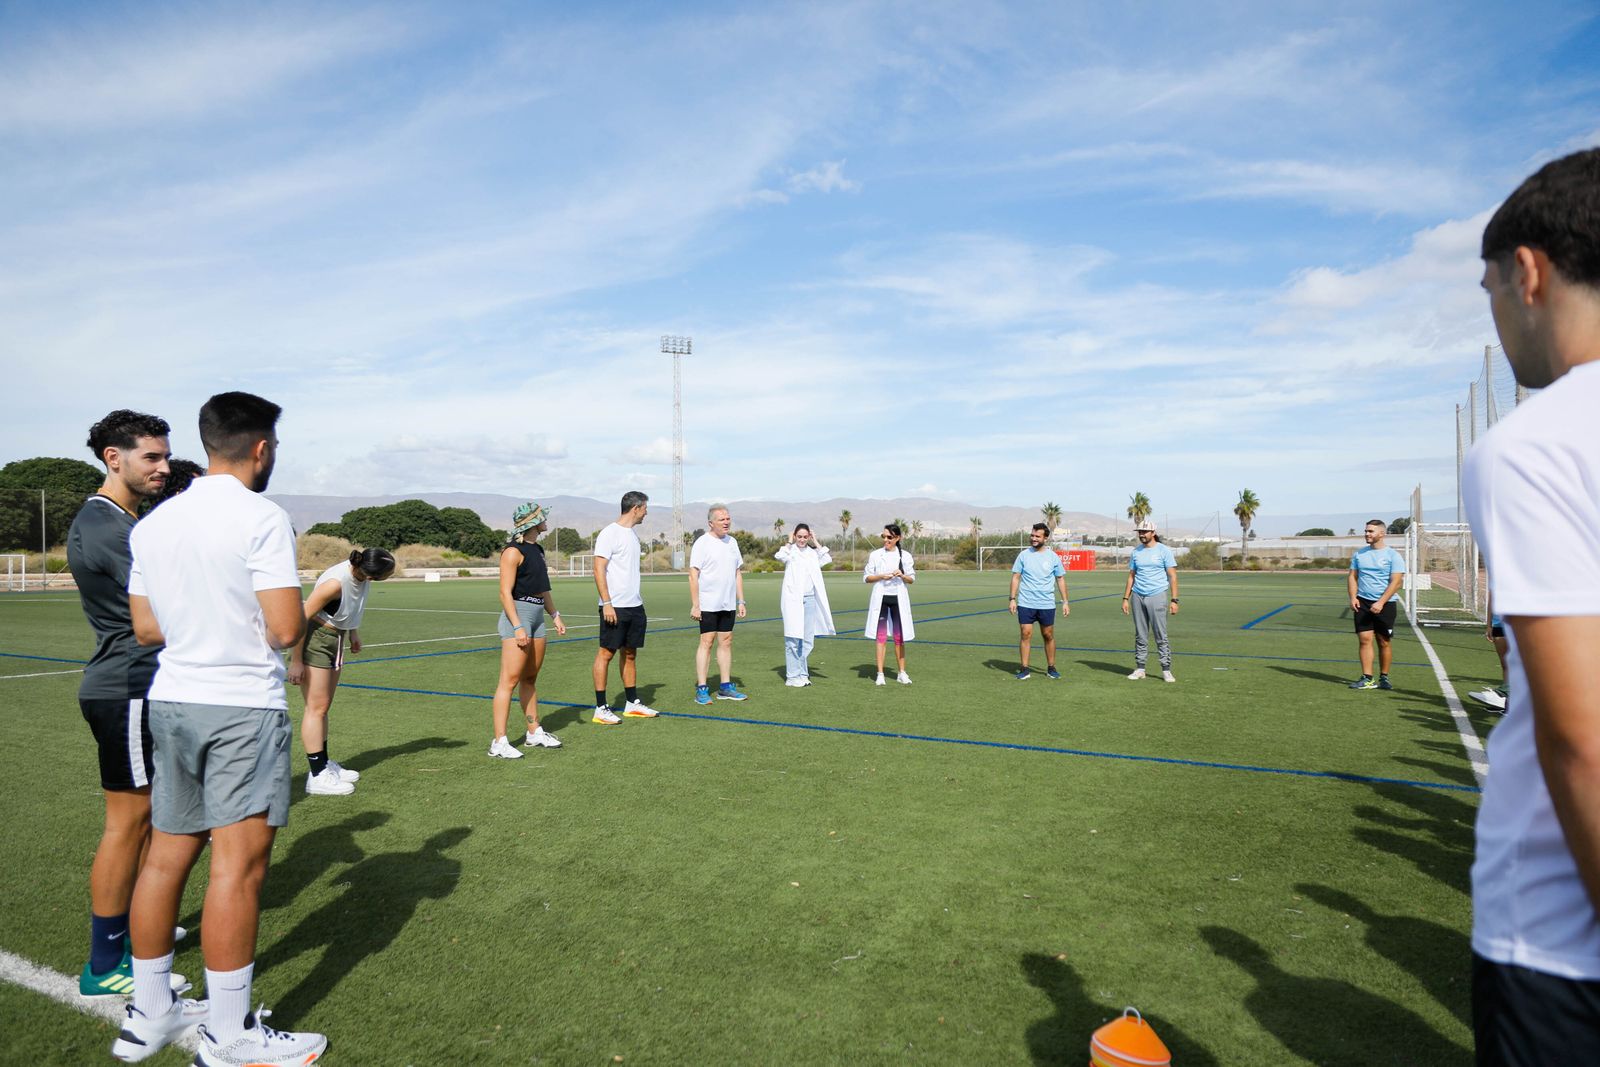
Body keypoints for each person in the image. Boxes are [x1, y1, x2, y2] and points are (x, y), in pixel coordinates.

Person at [116, 392, 326, 1065]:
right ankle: (231, 1034)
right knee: (238, 866)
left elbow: (146, 627)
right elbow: (287, 628)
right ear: (261, 448)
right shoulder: (263, 516)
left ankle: (150, 1012)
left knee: (166, 853)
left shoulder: (152, 523)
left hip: (171, 699)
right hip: (239, 706)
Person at [1463, 147, 1600, 1059]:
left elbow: (1581, 736)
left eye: (1490, 294)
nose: (1501, 318)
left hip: (1557, 937)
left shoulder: (1534, 447)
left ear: (1528, 271)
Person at [66, 410, 175, 999]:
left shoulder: (127, 519)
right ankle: (105, 962)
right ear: (114, 458)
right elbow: (162, 611)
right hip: (127, 686)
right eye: (150, 458)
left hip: (143, 685)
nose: (162, 467)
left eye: (164, 456)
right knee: (128, 823)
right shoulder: (109, 526)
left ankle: (140, 931)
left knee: (157, 821)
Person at [286, 546, 397, 791]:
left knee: (323, 707)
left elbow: (349, 606)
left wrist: (353, 632)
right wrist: (295, 661)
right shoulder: (335, 584)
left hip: (335, 639)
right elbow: (300, 618)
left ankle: (324, 764)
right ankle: (316, 775)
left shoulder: (359, 574)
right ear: (369, 575)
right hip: (315, 640)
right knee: (316, 708)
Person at [488, 502, 568, 759]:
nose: (547, 521)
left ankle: (534, 732)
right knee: (508, 681)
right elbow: (504, 592)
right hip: (519, 617)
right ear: (532, 523)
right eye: (543, 518)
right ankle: (499, 741)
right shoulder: (512, 552)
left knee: (530, 679)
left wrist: (554, 615)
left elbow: (543, 589)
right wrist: (518, 626)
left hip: (537, 617)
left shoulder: (538, 549)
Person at [592, 490, 657, 722]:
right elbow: (598, 568)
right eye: (645, 508)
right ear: (636, 508)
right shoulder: (609, 533)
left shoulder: (632, 535)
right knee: (606, 653)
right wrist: (607, 603)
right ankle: (601, 708)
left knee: (630, 654)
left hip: (635, 605)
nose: (646, 513)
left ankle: (632, 703)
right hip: (614, 606)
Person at [689, 504, 748, 704]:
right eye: (722, 519)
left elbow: (737, 573)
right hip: (707, 604)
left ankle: (725, 686)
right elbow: (693, 574)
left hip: (728, 603)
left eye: (728, 518)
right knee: (706, 642)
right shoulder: (702, 543)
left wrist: (741, 600)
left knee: (726, 641)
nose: (726, 522)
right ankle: (702, 688)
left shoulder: (732, 543)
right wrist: (696, 604)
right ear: (711, 523)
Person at [1347, 519, 1406, 690]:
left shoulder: (1393, 555)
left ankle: (1384, 678)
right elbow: (1352, 576)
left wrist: (1381, 602)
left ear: (1381, 533)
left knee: (1383, 641)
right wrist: (1353, 597)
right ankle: (1367, 678)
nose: (1367, 534)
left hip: (1385, 604)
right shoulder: (1359, 554)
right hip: (1363, 602)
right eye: (1366, 531)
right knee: (1365, 639)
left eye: (1371, 531)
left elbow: (1396, 582)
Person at [775, 523, 836, 686]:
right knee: (793, 637)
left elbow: (827, 558)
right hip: (793, 600)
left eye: (805, 537)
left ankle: (802, 672)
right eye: (799, 537)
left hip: (809, 600)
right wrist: (788, 542)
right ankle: (792, 676)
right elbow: (779, 556)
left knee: (808, 639)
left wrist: (816, 542)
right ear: (795, 536)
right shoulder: (790, 552)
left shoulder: (812, 554)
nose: (802, 540)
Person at [1009, 523, 1069, 680]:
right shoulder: (1023, 555)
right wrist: (1012, 599)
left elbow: (1060, 579)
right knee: (1025, 633)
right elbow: (1016, 577)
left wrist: (1065, 601)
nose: (1033, 539)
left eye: (1037, 536)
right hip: (1026, 602)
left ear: (1045, 538)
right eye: (1032, 535)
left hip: (1046, 603)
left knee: (1048, 635)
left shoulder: (1053, 557)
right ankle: (1024, 668)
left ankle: (1051, 667)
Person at [1121, 521, 1178, 682]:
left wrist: (1174, 600)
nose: (1141, 534)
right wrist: (1126, 598)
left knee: (1160, 634)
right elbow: (1131, 576)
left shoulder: (1164, 550)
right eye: (1140, 531)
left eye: (1145, 531)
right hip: (1138, 596)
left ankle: (1166, 669)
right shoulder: (1136, 552)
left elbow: (1172, 576)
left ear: (1153, 532)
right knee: (1140, 634)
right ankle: (1140, 668)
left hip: (1157, 595)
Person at [863, 524, 916, 685]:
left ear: (897, 538)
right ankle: (880, 674)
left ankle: (901, 672)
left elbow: (912, 579)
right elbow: (866, 577)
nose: (886, 540)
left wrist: (902, 575)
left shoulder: (905, 556)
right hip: (881, 599)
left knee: (899, 638)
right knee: (881, 638)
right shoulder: (876, 555)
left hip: (898, 600)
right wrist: (880, 576)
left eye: (889, 537)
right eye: (884, 536)